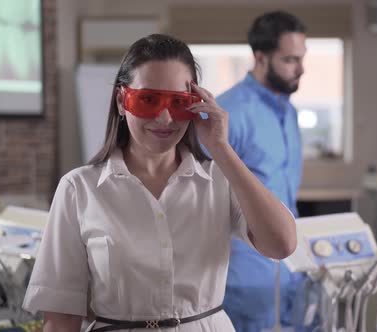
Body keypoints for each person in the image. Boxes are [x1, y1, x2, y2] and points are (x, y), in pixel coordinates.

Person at [22, 34, 297, 332]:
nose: (165, 118)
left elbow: (282, 244)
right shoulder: (79, 189)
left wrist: (222, 150)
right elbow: (61, 318)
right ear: (121, 100)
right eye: (148, 100)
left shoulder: (218, 180)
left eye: (179, 103)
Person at [215, 11, 307, 332]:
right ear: (261, 57)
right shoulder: (229, 114)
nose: (301, 69)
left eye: (301, 58)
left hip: (288, 276)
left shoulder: (290, 113)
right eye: (290, 60)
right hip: (243, 282)